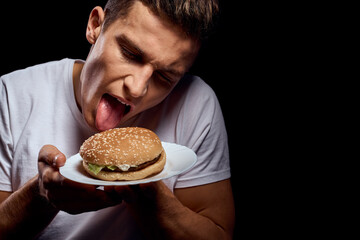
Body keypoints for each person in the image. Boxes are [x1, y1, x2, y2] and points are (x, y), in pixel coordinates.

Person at [0, 0, 235, 239]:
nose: (136, 88)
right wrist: (41, 196)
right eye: (130, 53)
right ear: (95, 25)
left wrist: (149, 196)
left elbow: (218, 234)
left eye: (164, 76)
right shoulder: (12, 95)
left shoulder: (195, 103)